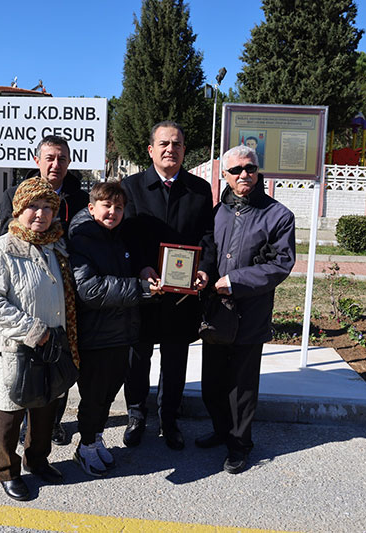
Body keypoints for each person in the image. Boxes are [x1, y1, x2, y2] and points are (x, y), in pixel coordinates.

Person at [0, 177, 78, 501]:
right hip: (18, 348)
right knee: (11, 410)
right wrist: (33, 330)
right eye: (33, 206)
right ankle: (7, 471)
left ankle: (38, 460)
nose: (40, 213)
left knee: (47, 406)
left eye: (48, 207)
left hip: (51, 346)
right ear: (19, 209)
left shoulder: (53, 246)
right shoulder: (2, 249)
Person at [196, 145, 295, 474]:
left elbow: (280, 265)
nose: (244, 176)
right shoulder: (217, 211)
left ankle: (240, 445)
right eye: (236, 170)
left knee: (241, 385)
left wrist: (236, 281)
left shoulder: (278, 215)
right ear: (224, 175)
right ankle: (221, 430)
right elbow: (208, 251)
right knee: (211, 381)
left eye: (250, 169)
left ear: (258, 171)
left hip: (249, 315)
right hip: (216, 315)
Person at [119, 121, 212, 451]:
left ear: (184, 150)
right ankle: (136, 414)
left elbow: (207, 237)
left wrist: (203, 269)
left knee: (175, 360)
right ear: (150, 150)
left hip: (181, 294)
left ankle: (169, 419)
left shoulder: (200, 190)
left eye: (177, 144)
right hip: (145, 289)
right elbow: (124, 235)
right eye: (163, 144)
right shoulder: (130, 187)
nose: (170, 149)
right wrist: (142, 267)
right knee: (138, 358)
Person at [0, 135, 89, 446]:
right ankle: (25, 426)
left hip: (66, 294)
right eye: (49, 157)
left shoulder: (79, 198)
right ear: (37, 160)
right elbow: (7, 238)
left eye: (62, 158)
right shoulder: (14, 193)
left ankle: (52, 423)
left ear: (69, 163)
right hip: (26, 296)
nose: (56, 164)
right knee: (26, 370)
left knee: (59, 363)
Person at [67, 181, 159, 477]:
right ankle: (85, 446)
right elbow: (90, 289)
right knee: (94, 395)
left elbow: (122, 274)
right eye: (107, 205)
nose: (113, 212)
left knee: (107, 394)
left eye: (119, 207)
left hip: (121, 332)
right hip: (95, 335)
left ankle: (94, 439)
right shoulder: (81, 238)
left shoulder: (117, 235)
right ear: (92, 207)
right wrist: (140, 288)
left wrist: (144, 272)